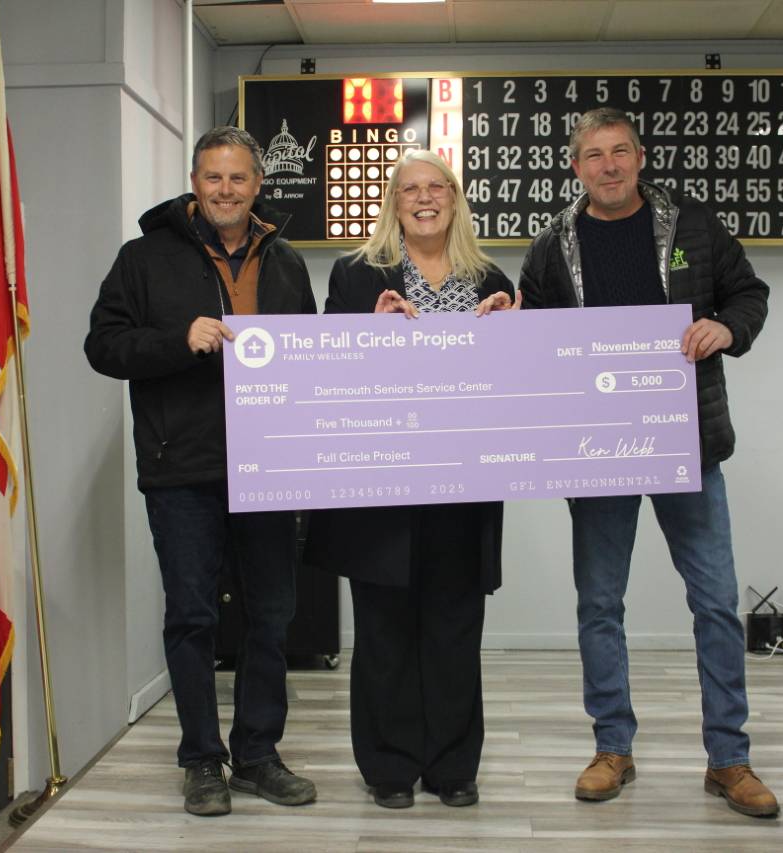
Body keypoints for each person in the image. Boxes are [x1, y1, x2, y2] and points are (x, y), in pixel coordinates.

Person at [518, 107, 776, 817]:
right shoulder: (551, 246)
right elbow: (533, 339)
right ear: (576, 167)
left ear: (639, 157)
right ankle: (612, 747)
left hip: (686, 443)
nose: (608, 166)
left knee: (715, 601)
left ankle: (729, 759)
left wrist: (726, 327)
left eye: (620, 151)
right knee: (600, 604)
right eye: (594, 155)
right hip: (596, 449)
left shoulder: (693, 225)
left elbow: (749, 294)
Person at [84, 126, 317, 817]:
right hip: (181, 466)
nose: (225, 190)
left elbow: (309, 358)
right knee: (192, 615)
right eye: (213, 177)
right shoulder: (143, 258)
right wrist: (177, 339)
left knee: (272, 613)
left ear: (258, 185)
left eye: (238, 178)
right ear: (194, 182)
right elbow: (103, 345)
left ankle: (258, 755)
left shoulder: (286, 262)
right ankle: (201, 761)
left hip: (269, 464)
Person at [305, 150, 517, 810]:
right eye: (410, 190)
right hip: (381, 484)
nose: (424, 198)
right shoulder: (354, 275)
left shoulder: (490, 278)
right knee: (384, 629)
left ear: (454, 198)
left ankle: (453, 766)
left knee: (455, 626)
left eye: (436, 187)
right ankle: (390, 767)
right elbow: (325, 369)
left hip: (463, 484)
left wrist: (516, 334)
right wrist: (367, 333)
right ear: (393, 204)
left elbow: (514, 383)